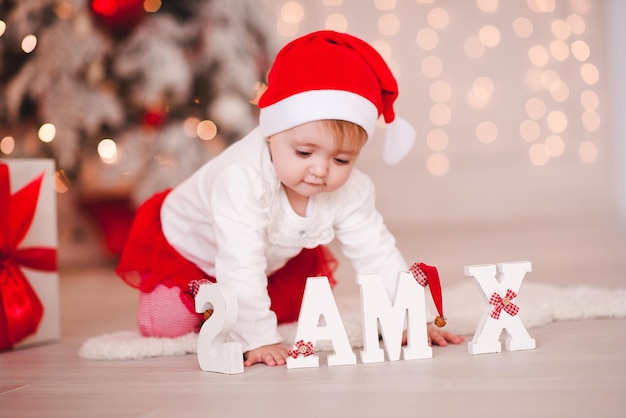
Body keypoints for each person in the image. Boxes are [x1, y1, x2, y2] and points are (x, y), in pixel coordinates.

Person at [117, 30, 464, 367]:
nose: (320, 170)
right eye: (303, 152)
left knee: (293, 309)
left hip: (266, 257)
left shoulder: (350, 190)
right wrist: (257, 338)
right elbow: (239, 260)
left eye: (341, 160)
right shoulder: (243, 178)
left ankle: (228, 310)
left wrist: (408, 320)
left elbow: (377, 252)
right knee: (164, 324)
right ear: (271, 134)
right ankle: (199, 306)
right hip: (190, 253)